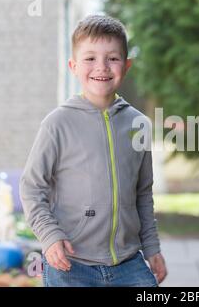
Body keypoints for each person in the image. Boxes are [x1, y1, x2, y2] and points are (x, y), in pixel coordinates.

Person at [20, 15, 167, 287]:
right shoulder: (57, 124)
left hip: (129, 265)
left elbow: (143, 193)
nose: (102, 66)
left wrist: (152, 247)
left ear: (127, 65)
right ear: (73, 66)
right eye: (90, 58)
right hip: (70, 265)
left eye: (112, 58)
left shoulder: (139, 124)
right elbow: (31, 188)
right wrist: (50, 236)